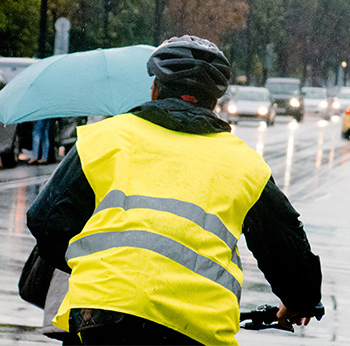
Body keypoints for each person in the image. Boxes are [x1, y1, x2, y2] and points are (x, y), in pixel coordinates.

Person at [27, 35, 322, 346]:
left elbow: (46, 222)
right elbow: (287, 250)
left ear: (154, 89)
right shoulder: (246, 165)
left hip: (103, 316)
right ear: (215, 103)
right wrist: (300, 300)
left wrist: (96, 264)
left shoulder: (104, 138)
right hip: (195, 327)